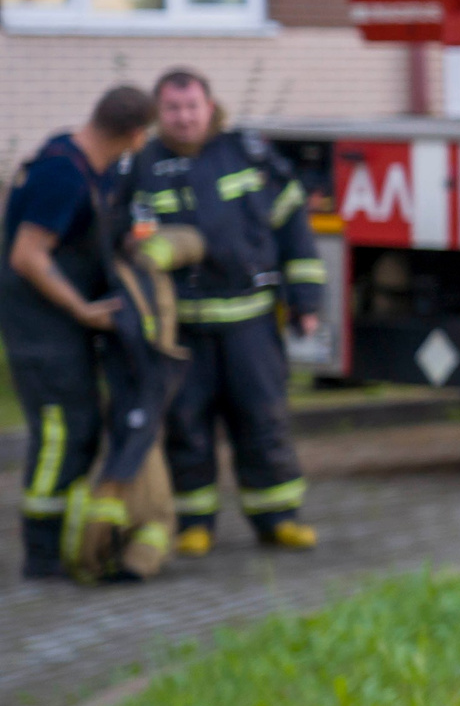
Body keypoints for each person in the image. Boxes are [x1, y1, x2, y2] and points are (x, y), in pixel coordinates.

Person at [128, 70, 323, 554]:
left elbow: (292, 227)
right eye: (173, 109)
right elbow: (126, 246)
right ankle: (194, 523)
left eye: (192, 106)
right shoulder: (143, 168)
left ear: (210, 106)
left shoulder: (247, 155)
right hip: (183, 328)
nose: (184, 117)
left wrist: (306, 301)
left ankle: (278, 517)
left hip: (250, 322)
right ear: (159, 114)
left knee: (263, 420)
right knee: (186, 425)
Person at [2, 86, 156, 579]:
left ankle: (69, 541)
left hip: (61, 328)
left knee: (82, 429)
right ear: (135, 135)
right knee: (59, 435)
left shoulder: (87, 162)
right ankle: (41, 553)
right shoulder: (62, 175)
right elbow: (27, 256)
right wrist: (84, 309)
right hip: (42, 329)